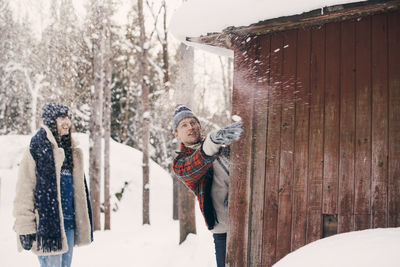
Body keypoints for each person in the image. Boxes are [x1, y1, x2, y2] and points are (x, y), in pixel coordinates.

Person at [13, 102, 93, 267]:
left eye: (68, 117)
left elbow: (79, 192)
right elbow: (24, 191)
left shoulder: (72, 151)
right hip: (47, 226)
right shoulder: (37, 149)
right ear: (51, 120)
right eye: (62, 117)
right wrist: (25, 227)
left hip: (68, 225)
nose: (67, 122)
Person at [172, 105, 243, 267]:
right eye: (184, 125)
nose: (190, 127)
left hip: (248, 217)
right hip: (224, 231)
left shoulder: (220, 145)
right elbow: (197, 162)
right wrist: (213, 141)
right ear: (176, 134)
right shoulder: (181, 163)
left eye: (193, 122)